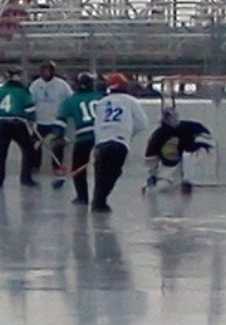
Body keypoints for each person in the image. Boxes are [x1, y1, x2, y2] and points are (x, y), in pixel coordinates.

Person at [90, 73, 148, 212]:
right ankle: (101, 201)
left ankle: (97, 200)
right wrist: (128, 133)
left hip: (102, 142)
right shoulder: (131, 101)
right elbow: (142, 123)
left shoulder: (102, 102)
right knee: (113, 172)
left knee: (100, 173)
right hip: (120, 142)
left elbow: (96, 124)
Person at [0, 66, 37, 187]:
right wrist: (31, 121)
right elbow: (30, 109)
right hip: (17, 123)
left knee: (0, 152)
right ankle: (26, 178)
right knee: (28, 150)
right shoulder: (23, 92)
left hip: (1, 123)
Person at [57, 72, 104, 205]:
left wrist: (58, 135)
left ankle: (82, 197)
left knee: (78, 166)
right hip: (101, 136)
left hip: (83, 137)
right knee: (101, 167)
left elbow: (61, 121)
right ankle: (99, 197)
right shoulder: (101, 98)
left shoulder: (70, 101)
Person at [143, 107, 214, 194]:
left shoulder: (187, 126)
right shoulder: (159, 135)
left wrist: (202, 139)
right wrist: (152, 174)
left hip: (187, 156)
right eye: (169, 117)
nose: (173, 119)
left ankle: (186, 182)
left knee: (187, 156)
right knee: (164, 185)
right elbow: (151, 156)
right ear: (165, 119)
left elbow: (207, 134)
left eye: (174, 116)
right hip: (170, 164)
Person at [29, 60, 74, 175]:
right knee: (34, 145)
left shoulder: (62, 84)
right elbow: (30, 101)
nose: (46, 73)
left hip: (56, 121)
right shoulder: (35, 85)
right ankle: (34, 167)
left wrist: (66, 113)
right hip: (39, 121)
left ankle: (57, 167)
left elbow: (70, 99)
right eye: (44, 70)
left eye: (49, 70)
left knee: (57, 145)